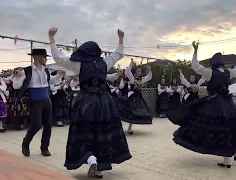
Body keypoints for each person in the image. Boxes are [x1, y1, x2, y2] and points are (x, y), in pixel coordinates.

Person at [48, 27, 131, 178]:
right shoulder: (104, 63)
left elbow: (58, 57)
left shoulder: (78, 64)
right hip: (104, 102)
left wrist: (51, 37)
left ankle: (91, 159)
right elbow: (119, 54)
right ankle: (100, 169)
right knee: (103, 132)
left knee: (83, 132)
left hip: (86, 102)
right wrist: (121, 38)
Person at [167, 41, 236, 168]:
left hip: (215, 103)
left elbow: (196, 66)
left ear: (213, 62)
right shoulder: (227, 72)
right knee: (228, 129)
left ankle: (223, 156)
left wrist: (195, 51)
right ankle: (228, 159)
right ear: (222, 62)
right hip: (228, 104)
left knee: (206, 125)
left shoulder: (210, 72)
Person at [12, 49, 62, 157]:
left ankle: (44, 148)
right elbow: (16, 86)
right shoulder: (27, 71)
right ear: (38, 57)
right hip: (34, 100)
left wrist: (59, 76)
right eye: (45, 57)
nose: (46, 59)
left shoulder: (46, 71)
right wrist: (18, 76)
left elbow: (51, 81)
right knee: (36, 125)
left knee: (48, 125)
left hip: (46, 100)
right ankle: (26, 143)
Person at [117, 62, 153, 135]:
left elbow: (149, 77)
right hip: (132, 96)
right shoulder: (132, 78)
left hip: (139, 97)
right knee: (128, 110)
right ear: (135, 72)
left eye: (140, 71)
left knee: (137, 112)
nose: (139, 72)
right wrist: (130, 65)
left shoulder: (142, 79)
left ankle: (129, 128)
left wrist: (149, 70)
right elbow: (127, 72)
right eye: (138, 71)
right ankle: (119, 125)